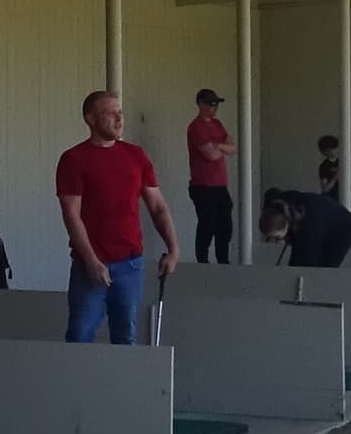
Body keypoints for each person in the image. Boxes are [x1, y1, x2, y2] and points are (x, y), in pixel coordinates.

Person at [55, 90, 178, 343]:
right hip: (89, 265)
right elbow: (71, 215)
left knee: (126, 337)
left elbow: (157, 207)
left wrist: (173, 249)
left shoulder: (136, 156)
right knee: (80, 334)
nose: (118, 118)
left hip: (130, 263)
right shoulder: (74, 159)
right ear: (90, 119)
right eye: (109, 113)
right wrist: (91, 261)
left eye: (120, 112)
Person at [183, 89, 237, 265]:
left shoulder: (217, 124)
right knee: (207, 226)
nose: (214, 108)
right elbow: (210, 155)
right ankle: (203, 263)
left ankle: (223, 261)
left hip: (220, 185)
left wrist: (217, 145)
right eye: (210, 104)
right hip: (203, 185)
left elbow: (233, 147)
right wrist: (221, 148)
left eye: (216, 104)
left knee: (225, 226)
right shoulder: (196, 127)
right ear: (200, 104)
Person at [258, 185, 351, 268]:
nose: (275, 242)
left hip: (343, 228)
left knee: (324, 271)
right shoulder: (276, 203)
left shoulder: (308, 231)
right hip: (322, 214)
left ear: (287, 224)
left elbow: (303, 265)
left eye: (277, 238)